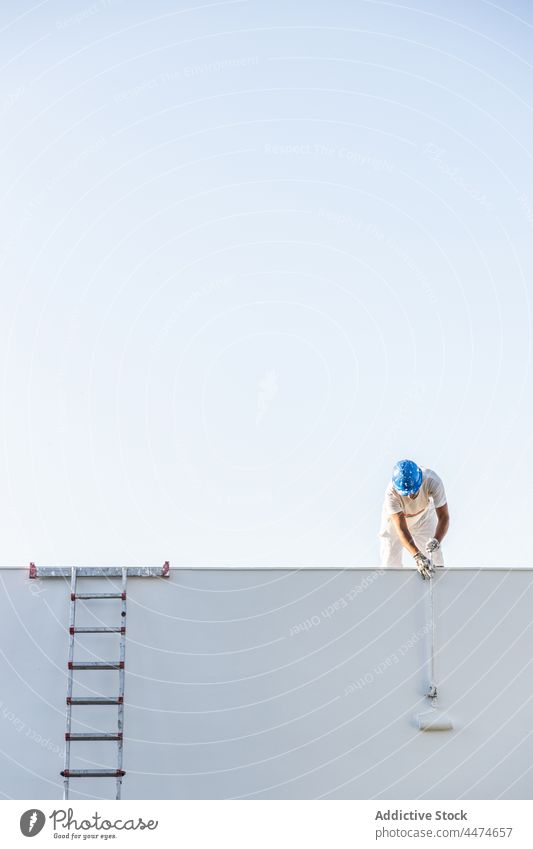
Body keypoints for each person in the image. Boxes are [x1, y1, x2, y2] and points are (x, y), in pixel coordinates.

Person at [379, 459, 449, 578]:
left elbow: (444, 517)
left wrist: (436, 540)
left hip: (423, 516)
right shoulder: (391, 494)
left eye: (413, 491)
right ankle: (393, 590)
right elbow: (402, 530)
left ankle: (438, 591)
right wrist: (417, 556)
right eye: (406, 493)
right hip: (395, 522)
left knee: (434, 557)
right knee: (390, 562)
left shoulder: (433, 481)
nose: (410, 496)